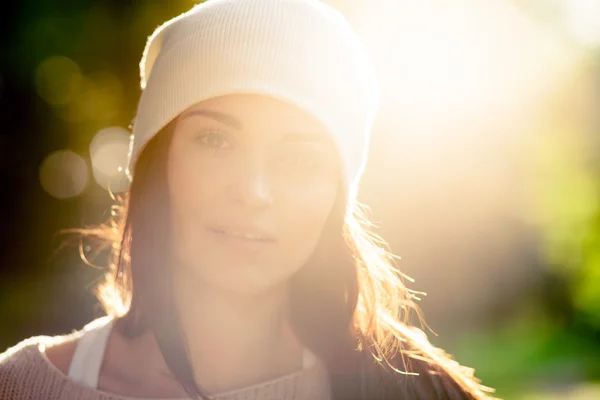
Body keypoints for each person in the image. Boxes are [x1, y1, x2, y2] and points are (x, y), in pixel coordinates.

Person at [0, 1, 496, 399]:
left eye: (300, 159)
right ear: (157, 161)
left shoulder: (415, 391)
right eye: (215, 141)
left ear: (335, 198)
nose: (253, 191)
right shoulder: (20, 386)